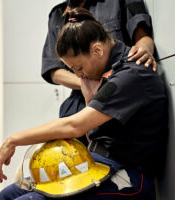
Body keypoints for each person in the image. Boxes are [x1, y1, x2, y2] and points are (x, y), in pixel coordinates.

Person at [0, 8, 167, 200]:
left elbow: (74, 126)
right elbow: (92, 137)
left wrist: (13, 139)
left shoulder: (129, 76)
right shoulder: (109, 72)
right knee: (7, 196)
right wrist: (89, 97)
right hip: (99, 162)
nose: (78, 75)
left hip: (130, 176)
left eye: (79, 67)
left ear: (97, 50)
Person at [42, 0, 156, 146]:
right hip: (81, 99)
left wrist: (141, 55)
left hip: (116, 94)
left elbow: (143, 38)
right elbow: (53, 70)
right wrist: (87, 82)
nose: (77, 72)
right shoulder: (57, 14)